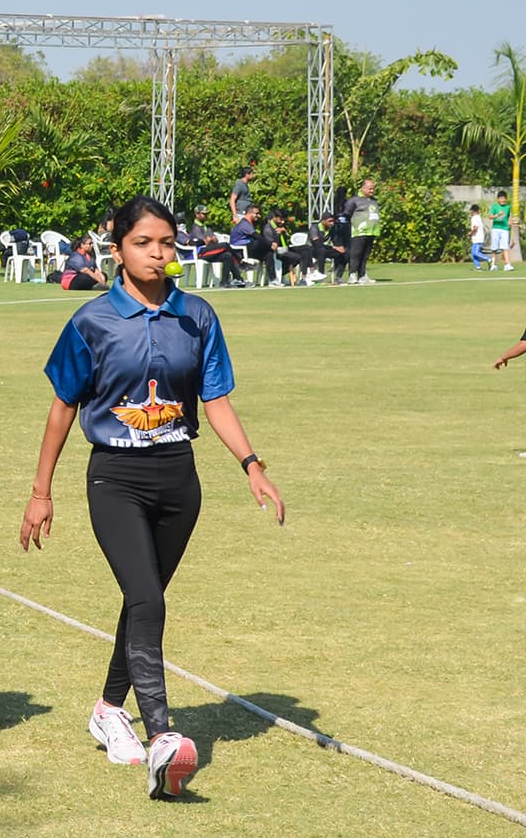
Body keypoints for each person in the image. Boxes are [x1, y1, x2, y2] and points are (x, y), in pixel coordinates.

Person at [20, 195, 284, 801]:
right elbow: (63, 407)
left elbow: (214, 398)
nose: (158, 253)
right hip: (114, 477)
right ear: (118, 249)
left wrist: (252, 465)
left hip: (179, 479)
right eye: (144, 243)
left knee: (146, 602)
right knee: (145, 598)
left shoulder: (198, 315)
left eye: (166, 243)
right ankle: (163, 736)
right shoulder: (90, 321)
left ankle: (110, 709)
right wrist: (41, 492)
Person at [339, 179, 381, 284]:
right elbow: (346, 214)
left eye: (373, 188)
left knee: (365, 255)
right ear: (362, 188)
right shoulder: (354, 200)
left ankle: (362, 275)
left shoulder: (374, 200)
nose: (372, 190)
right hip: (358, 231)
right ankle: (352, 275)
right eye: (370, 188)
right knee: (356, 254)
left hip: (371, 231)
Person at [489, 191, 515, 272]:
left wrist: (510, 222)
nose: (503, 200)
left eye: (504, 198)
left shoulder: (508, 207)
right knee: (494, 248)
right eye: (501, 198)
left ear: (506, 199)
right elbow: (490, 216)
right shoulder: (494, 206)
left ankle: (507, 265)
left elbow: (510, 216)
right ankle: (493, 265)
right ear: (498, 199)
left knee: (505, 247)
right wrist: (497, 215)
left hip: (505, 229)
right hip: (496, 229)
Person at [471, 205, 493, 272]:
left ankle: (488, 259)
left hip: (478, 238)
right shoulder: (479, 217)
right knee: (473, 253)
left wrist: (470, 233)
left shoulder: (474, 218)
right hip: (477, 238)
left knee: (475, 252)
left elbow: (475, 228)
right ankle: (478, 267)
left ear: (472, 211)